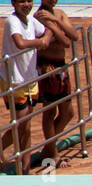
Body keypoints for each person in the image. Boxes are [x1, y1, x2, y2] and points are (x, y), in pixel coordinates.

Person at [2, 0, 51, 174]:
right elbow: (20, 43)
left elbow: (47, 29)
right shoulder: (12, 21)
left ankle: (25, 168)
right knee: (20, 125)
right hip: (15, 80)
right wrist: (40, 43)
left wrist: (45, 37)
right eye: (22, 1)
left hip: (30, 79)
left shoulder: (30, 19)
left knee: (26, 126)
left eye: (29, 0)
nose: (27, 5)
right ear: (13, 3)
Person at [34, 0, 73, 167]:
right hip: (47, 67)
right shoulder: (39, 16)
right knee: (49, 112)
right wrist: (58, 26)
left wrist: (57, 21)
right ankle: (53, 154)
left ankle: (46, 152)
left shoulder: (60, 13)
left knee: (68, 112)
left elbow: (74, 37)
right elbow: (65, 42)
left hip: (61, 66)